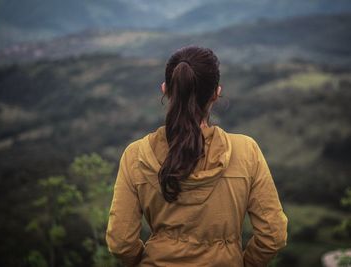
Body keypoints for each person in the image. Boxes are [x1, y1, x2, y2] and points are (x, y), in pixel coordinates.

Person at [105, 45, 288, 267]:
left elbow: (120, 242)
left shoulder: (136, 155)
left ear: (166, 89)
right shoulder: (246, 152)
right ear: (216, 93)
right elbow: (273, 235)